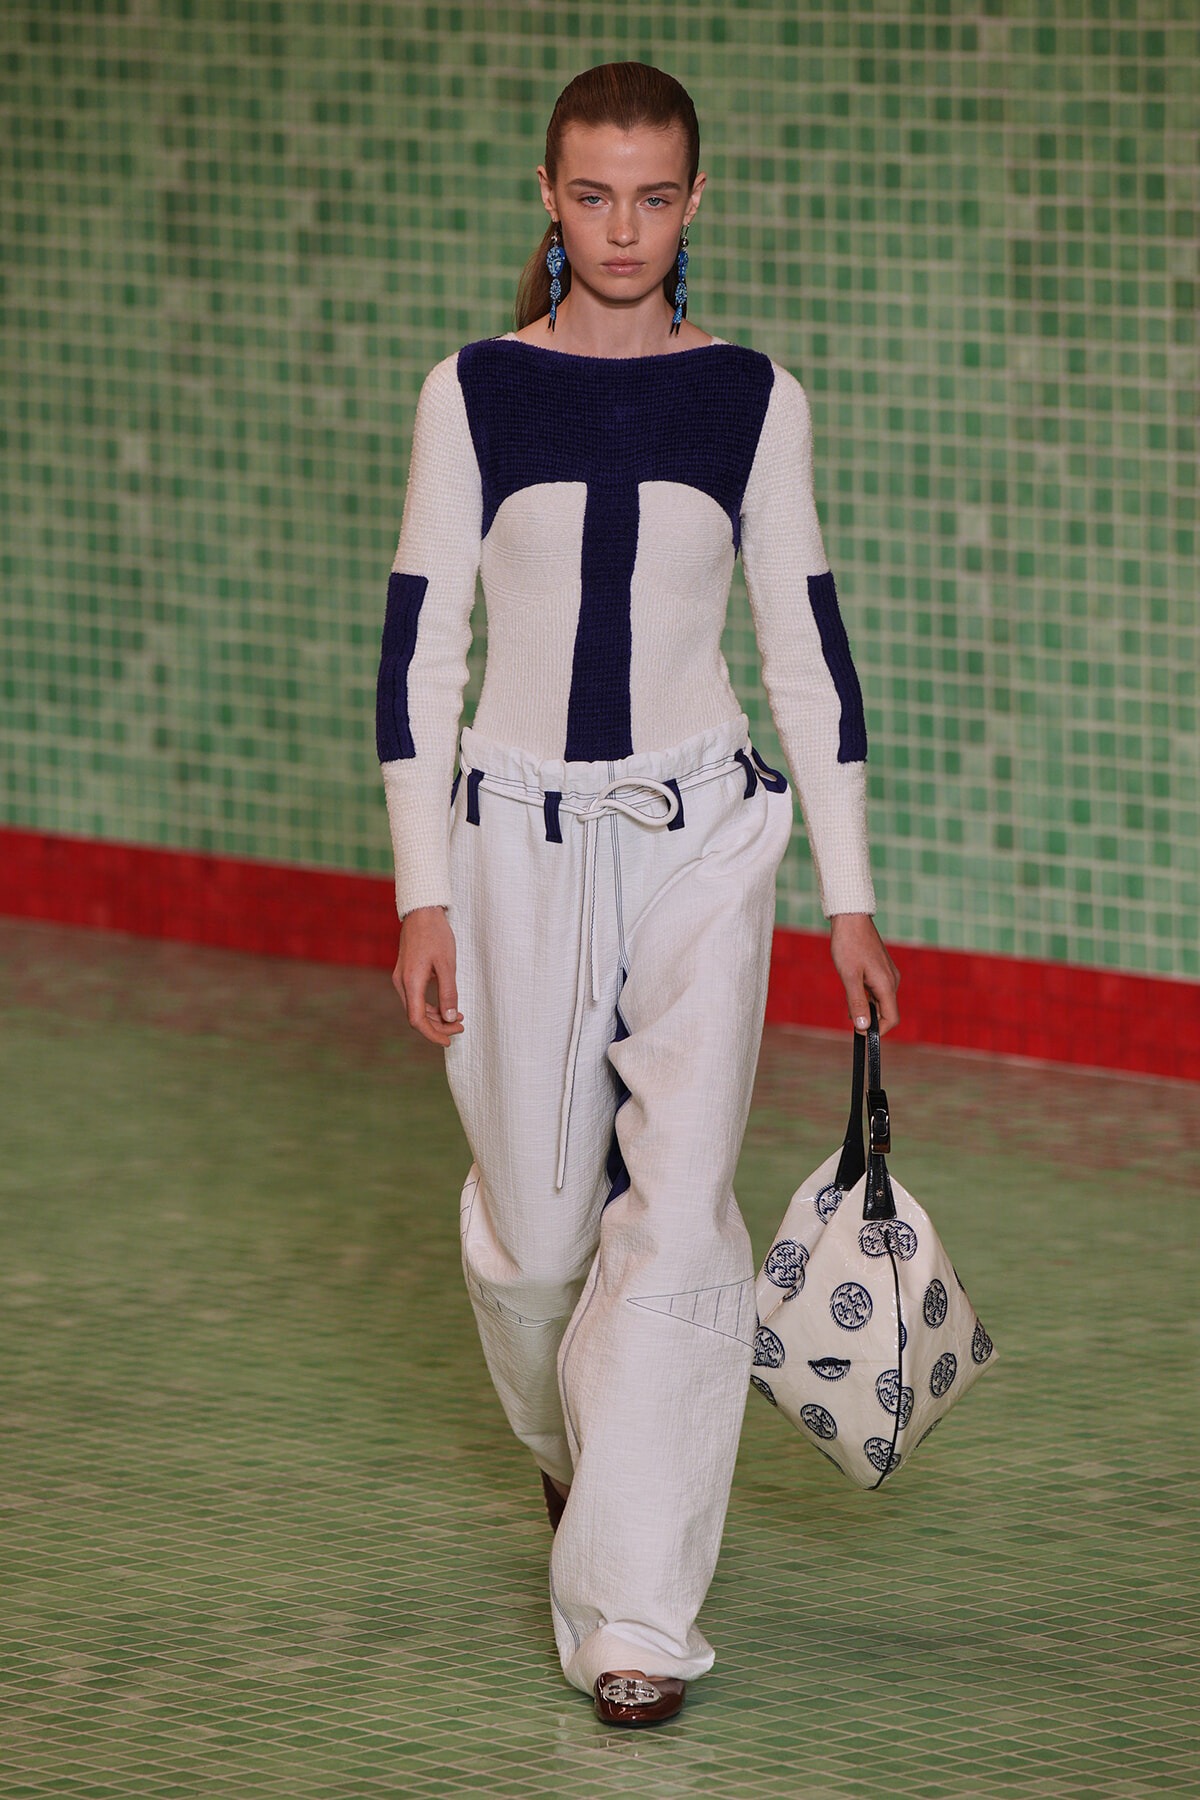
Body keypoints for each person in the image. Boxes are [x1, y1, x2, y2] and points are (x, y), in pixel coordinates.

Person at [377, 61, 899, 1728]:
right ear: (548, 194)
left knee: (676, 1223)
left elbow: (807, 651)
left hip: (702, 833)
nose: (623, 227)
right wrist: (417, 891)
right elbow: (420, 648)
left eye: (654, 196)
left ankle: (636, 1624)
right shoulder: (471, 394)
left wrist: (849, 890)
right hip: (506, 841)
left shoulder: (754, 397)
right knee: (537, 1250)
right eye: (593, 194)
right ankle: (574, 1457)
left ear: (694, 202)